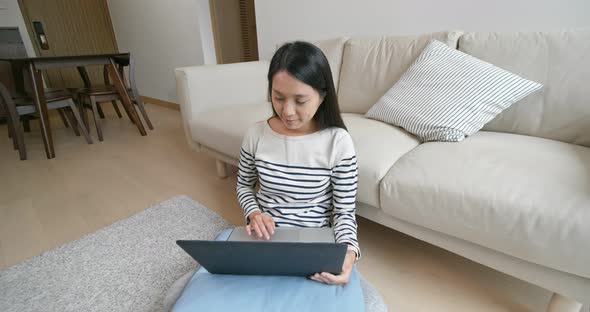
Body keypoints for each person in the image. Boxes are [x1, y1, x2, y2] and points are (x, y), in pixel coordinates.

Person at [236, 41, 360, 286]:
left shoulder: (338, 142)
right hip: (265, 237)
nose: (287, 111)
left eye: (300, 101)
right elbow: (244, 186)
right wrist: (254, 214)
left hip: (314, 242)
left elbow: (344, 212)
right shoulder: (256, 134)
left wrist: (349, 252)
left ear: (323, 95)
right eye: (278, 97)